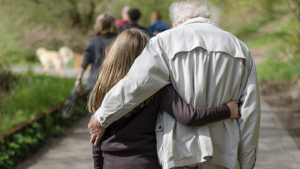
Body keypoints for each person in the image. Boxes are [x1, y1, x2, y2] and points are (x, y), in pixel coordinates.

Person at [89, 1, 261, 169]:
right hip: (223, 152)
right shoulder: (240, 49)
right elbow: (250, 113)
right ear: (207, 17)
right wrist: (247, 163)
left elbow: (136, 84)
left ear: (174, 24)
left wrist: (102, 116)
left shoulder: (162, 43)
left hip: (179, 152)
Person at [75, 13, 118, 92]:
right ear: (113, 24)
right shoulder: (118, 40)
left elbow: (85, 61)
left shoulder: (94, 40)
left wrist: (78, 79)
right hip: (113, 83)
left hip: (94, 82)